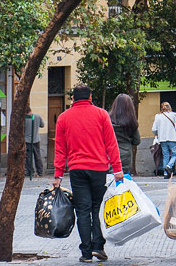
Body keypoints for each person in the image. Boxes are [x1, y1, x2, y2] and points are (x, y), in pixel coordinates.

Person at [53, 84, 124, 263]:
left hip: (77, 170)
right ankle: (98, 247)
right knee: (98, 208)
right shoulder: (101, 115)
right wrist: (117, 169)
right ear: (90, 97)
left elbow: (60, 149)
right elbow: (111, 143)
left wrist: (58, 175)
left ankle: (86, 253)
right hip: (99, 169)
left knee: (82, 211)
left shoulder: (63, 118)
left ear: (73, 99)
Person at [109, 94, 141, 176]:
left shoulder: (108, 120)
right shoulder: (132, 122)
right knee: (123, 184)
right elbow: (137, 141)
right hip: (126, 157)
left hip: (110, 155)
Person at [152, 101, 176, 178]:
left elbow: (154, 129)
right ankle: (169, 166)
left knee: (165, 155)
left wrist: (158, 134)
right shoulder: (174, 115)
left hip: (162, 139)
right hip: (172, 138)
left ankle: (166, 173)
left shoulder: (157, 116)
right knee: (174, 154)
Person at [24, 106, 45, 177]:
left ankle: (30, 172)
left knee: (28, 157)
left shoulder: (24, 119)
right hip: (36, 139)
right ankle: (40, 171)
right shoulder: (37, 116)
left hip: (27, 140)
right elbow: (42, 125)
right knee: (37, 156)